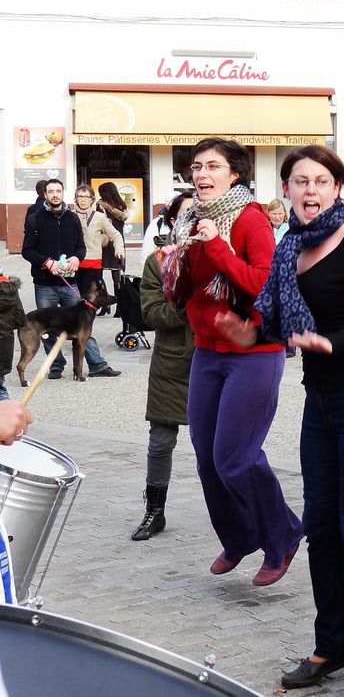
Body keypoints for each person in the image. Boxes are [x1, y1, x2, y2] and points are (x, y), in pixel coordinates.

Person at [218, 144, 344, 695]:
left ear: (337, 189)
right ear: (287, 191)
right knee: (322, 528)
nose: (309, 190)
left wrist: (337, 341)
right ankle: (334, 643)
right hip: (322, 399)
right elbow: (280, 319)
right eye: (299, 181)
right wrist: (251, 331)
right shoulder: (291, 249)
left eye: (320, 181)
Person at [160, 137, 303, 587]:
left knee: (235, 459)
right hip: (208, 349)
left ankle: (283, 535)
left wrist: (217, 248)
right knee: (206, 456)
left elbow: (264, 284)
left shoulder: (251, 219)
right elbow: (190, 290)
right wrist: (174, 268)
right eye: (197, 167)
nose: (201, 174)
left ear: (234, 174)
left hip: (254, 352)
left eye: (213, 167)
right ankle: (239, 537)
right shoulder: (190, 219)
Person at [131, 190, 196, 541]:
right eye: (185, 215)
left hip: (211, 360)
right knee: (160, 443)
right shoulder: (157, 261)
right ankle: (154, 511)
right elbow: (150, 312)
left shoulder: (218, 254)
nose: (192, 220)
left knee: (218, 446)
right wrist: (190, 308)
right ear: (171, 221)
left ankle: (234, 515)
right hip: (171, 362)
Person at [21, 179, 120, 380]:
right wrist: (47, 262)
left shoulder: (72, 219)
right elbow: (27, 251)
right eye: (51, 191)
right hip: (44, 284)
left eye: (58, 190)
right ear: (45, 195)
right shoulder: (34, 218)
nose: (55, 194)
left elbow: (80, 248)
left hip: (69, 283)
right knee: (46, 329)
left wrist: (77, 257)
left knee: (84, 326)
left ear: (63, 193)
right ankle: (56, 365)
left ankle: (97, 365)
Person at [70, 185, 125, 307]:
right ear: (76, 199)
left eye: (86, 197)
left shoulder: (99, 217)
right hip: (72, 265)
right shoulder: (69, 215)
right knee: (73, 302)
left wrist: (119, 250)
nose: (83, 199)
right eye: (80, 196)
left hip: (92, 265)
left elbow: (116, 235)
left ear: (92, 199)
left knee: (89, 303)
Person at [97, 181, 129, 312]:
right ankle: (120, 307)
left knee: (98, 276)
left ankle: (105, 304)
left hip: (105, 242)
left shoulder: (101, 206)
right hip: (118, 242)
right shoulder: (122, 206)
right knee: (117, 277)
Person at [0, 270, 26, 402]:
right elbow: (21, 320)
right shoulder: (12, 291)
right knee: (1, 390)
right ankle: (7, 415)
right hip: (4, 342)